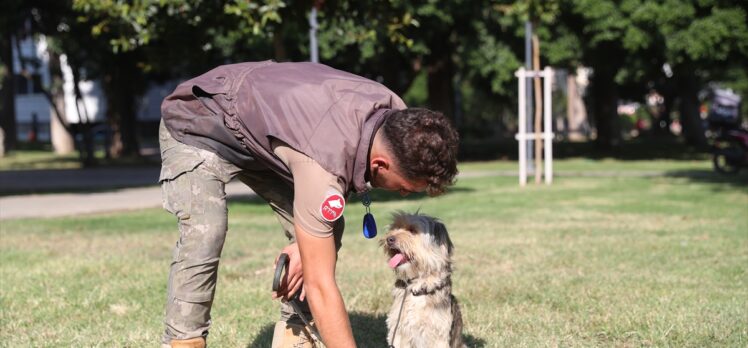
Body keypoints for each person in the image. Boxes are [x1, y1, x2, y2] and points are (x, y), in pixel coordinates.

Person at [158, 61, 459, 348]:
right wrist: (309, 247)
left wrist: (307, 244)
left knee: (324, 228)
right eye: (405, 189)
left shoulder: (398, 122)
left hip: (267, 135)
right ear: (381, 165)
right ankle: (183, 340)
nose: (404, 196)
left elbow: (344, 164)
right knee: (207, 229)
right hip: (199, 121)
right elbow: (320, 285)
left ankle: (295, 334)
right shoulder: (322, 163)